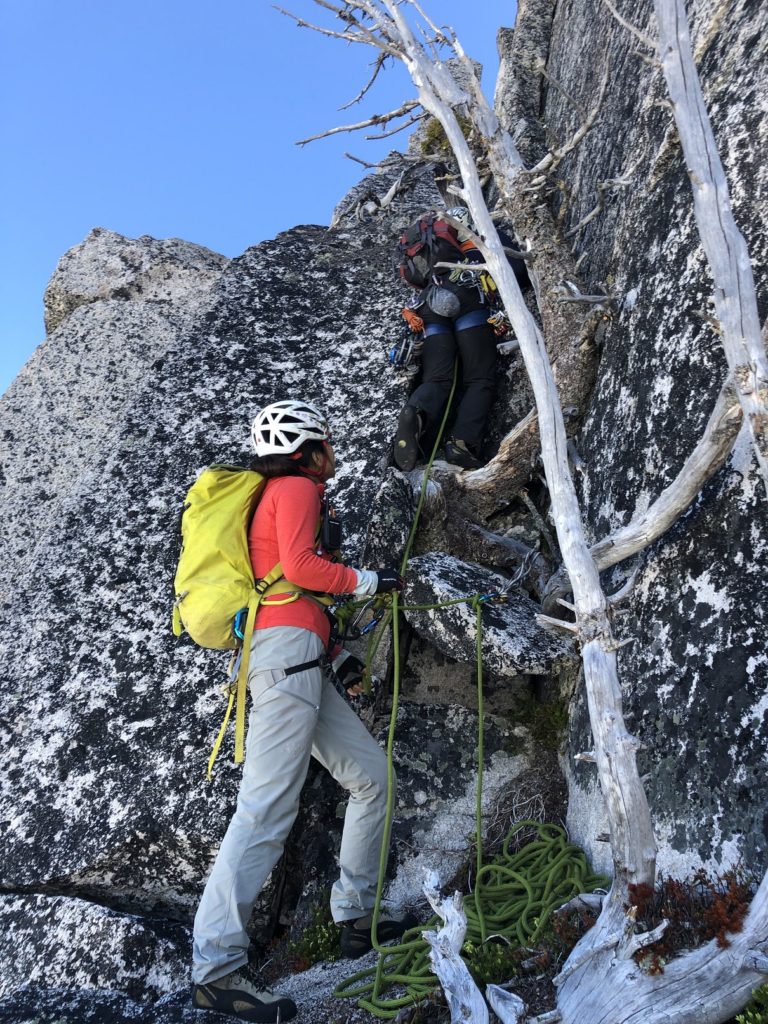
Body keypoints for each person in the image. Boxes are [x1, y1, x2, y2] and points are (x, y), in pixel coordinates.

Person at [191, 399, 414, 1023]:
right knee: (266, 805)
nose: (333, 455)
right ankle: (214, 969)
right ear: (308, 450)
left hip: (297, 655)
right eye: (327, 444)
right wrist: (370, 581)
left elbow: (288, 586)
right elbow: (300, 568)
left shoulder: (277, 491)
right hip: (287, 658)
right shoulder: (295, 486)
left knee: (372, 777)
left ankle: (355, 917)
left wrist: (336, 651)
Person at [393, 207, 499, 472]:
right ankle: (461, 443)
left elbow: (412, 278)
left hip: (427, 305)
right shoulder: (461, 229)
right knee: (479, 378)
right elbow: (482, 261)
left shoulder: (418, 240)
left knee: (437, 379)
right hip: (466, 298)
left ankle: (416, 412)